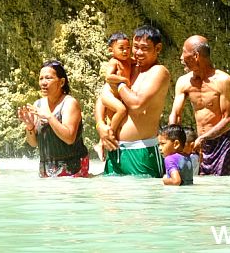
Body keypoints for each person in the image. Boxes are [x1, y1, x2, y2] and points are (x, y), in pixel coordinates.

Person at [98, 24, 172, 177]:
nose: (138, 53)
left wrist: (119, 83)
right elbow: (102, 98)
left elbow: (137, 104)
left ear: (158, 49)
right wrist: (100, 125)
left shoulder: (158, 72)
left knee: (141, 200)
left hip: (142, 151)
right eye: (135, 47)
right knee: (110, 200)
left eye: (144, 48)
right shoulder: (129, 69)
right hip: (115, 150)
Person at [169, 35, 230, 175]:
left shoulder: (223, 80)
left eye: (184, 52)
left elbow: (228, 119)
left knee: (222, 185)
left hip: (223, 142)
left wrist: (204, 138)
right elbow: (175, 114)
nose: (181, 58)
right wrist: (174, 139)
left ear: (196, 56)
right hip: (198, 144)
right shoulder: (184, 82)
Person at [17, 60, 89, 177]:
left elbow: (69, 138)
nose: (43, 83)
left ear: (61, 82)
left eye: (48, 78)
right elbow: (33, 143)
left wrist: (50, 117)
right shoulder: (38, 105)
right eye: (41, 78)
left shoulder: (69, 103)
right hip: (47, 168)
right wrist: (29, 127)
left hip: (73, 167)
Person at [93, 32, 135, 161]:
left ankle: (100, 144)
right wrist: (123, 79)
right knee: (121, 110)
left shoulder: (129, 60)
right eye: (121, 48)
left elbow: (138, 63)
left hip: (117, 96)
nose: (125, 51)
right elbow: (109, 77)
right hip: (109, 94)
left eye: (128, 48)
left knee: (113, 119)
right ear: (111, 50)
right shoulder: (114, 61)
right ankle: (108, 134)